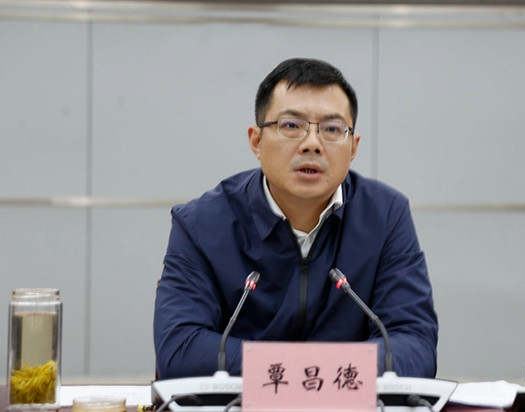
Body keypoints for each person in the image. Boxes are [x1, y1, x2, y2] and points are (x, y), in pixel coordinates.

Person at [153, 57, 438, 380]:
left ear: (353, 148)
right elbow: (180, 350)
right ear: (257, 141)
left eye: (332, 129)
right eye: (291, 126)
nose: (312, 144)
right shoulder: (202, 224)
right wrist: (314, 370)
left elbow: (415, 345)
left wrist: (297, 370)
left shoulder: (384, 215)